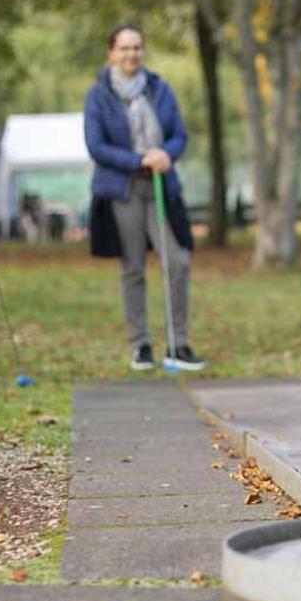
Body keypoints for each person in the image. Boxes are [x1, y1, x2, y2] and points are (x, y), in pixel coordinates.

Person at [84, 24, 204, 372]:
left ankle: (178, 343)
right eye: (123, 48)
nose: (131, 54)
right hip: (123, 189)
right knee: (133, 267)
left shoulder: (159, 89)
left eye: (136, 47)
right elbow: (96, 145)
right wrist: (138, 160)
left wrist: (165, 154)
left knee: (177, 262)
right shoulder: (99, 94)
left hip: (160, 187)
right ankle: (141, 345)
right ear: (111, 53)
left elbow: (179, 134)